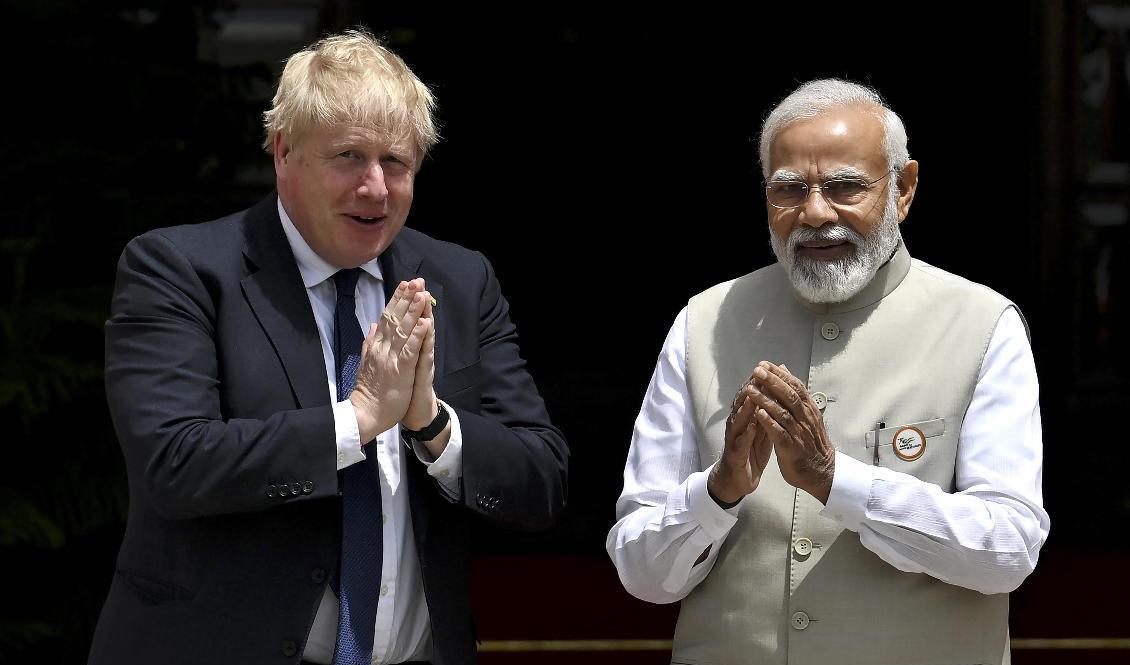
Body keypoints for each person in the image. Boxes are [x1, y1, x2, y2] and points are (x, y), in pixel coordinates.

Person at [89, 29, 568, 665]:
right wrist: (359, 418)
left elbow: (541, 479)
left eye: (395, 163)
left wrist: (432, 426)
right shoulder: (181, 269)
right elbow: (173, 464)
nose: (375, 188)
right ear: (283, 152)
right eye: (348, 156)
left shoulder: (458, 279)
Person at [606, 78, 1049, 665]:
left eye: (845, 187)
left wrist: (838, 482)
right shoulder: (705, 322)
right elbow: (641, 573)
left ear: (903, 189)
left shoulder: (982, 324)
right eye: (789, 189)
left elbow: (1008, 549)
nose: (814, 213)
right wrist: (717, 493)